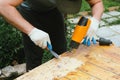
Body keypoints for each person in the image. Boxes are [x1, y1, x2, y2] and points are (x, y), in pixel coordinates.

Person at [0, 0, 104, 71]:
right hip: (30, 10)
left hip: (53, 10)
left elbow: (97, 2)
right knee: (34, 56)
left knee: (61, 50)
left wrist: (95, 21)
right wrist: (31, 31)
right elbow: (3, 5)